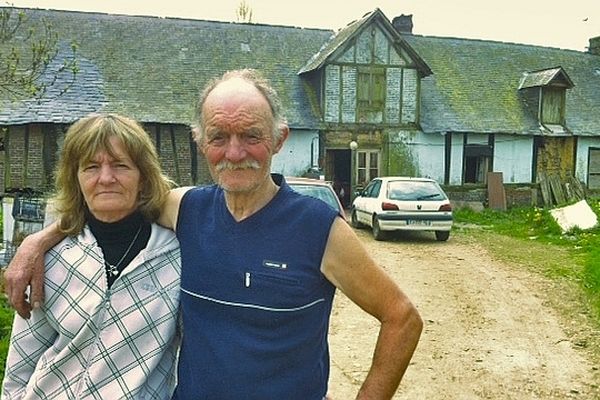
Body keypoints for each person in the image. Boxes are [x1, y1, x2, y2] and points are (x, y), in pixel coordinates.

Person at [4, 69, 422, 399]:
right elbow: (110, 202)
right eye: (219, 137)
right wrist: (37, 241)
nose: (234, 153)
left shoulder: (319, 229)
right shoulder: (186, 209)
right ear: (201, 142)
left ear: (279, 139)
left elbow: (402, 318)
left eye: (251, 136)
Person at [1, 114, 181, 399]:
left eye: (120, 165)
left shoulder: (176, 258)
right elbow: (19, 368)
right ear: (76, 178)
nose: (106, 178)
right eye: (92, 167)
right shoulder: (50, 258)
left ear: (143, 176)